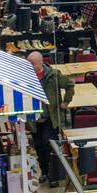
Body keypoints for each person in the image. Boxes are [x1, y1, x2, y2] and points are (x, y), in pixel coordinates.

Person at [28, 50, 74, 185]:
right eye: (29, 63)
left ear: (41, 62)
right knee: (39, 147)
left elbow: (69, 85)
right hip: (34, 120)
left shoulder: (53, 75)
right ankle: (44, 172)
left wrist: (66, 101)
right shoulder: (26, 76)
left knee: (50, 147)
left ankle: (53, 175)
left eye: (33, 63)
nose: (30, 66)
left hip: (50, 118)